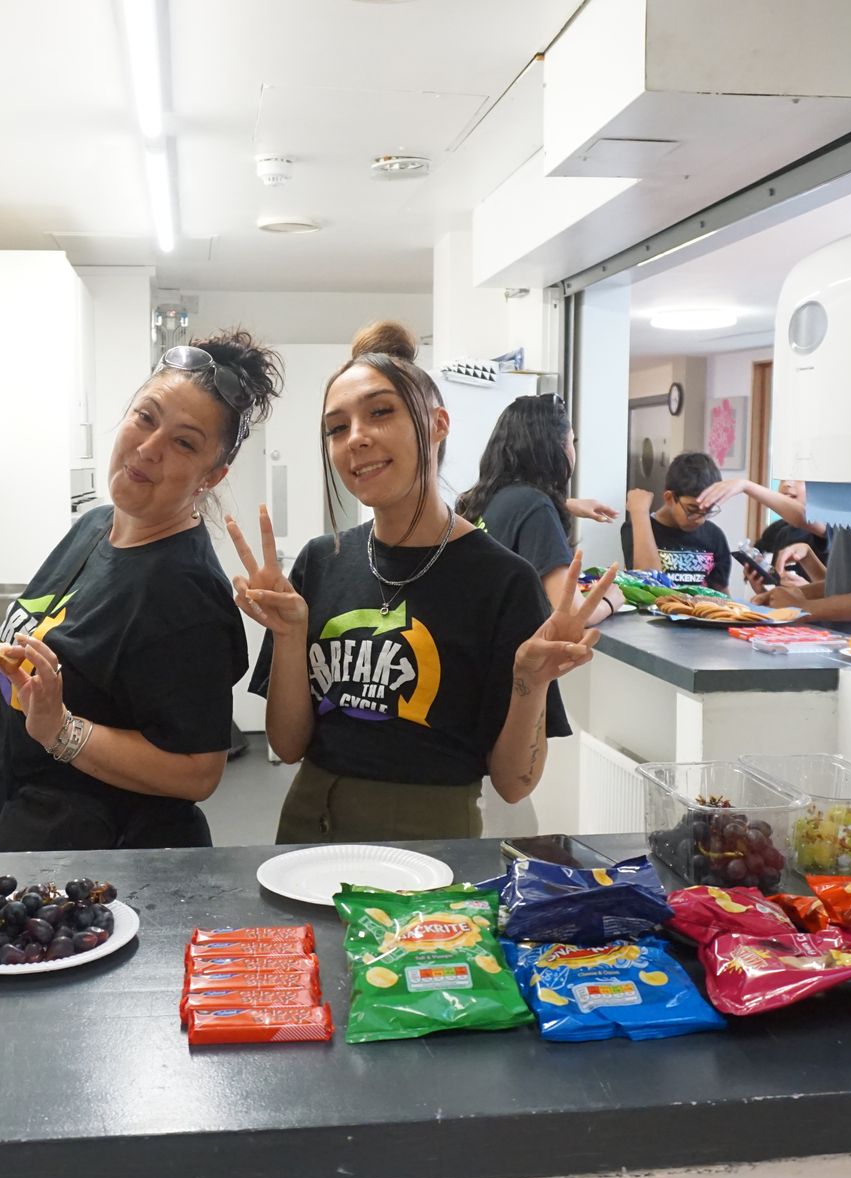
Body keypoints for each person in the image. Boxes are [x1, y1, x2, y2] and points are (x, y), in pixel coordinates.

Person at [235, 322, 613, 842]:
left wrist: (531, 680)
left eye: (380, 412)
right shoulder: (320, 563)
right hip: (308, 828)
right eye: (336, 427)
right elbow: (289, 743)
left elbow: (514, 783)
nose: (356, 438)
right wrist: (288, 636)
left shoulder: (502, 581)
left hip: (434, 842)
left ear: (437, 424)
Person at [0, 331, 283, 851]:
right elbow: (83, 688)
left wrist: (61, 731)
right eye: (146, 417)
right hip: (36, 841)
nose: (148, 447)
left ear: (213, 475)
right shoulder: (94, 526)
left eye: (184, 442)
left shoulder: (184, 591)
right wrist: (5, 681)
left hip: (109, 869)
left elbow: (198, 772)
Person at [456, 392, 621, 628]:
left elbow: (516, 513)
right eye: (571, 442)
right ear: (554, 451)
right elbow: (571, 614)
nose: (573, 451)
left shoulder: (481, 498)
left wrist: (567, 504)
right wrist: (610, 600)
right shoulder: (535, 507)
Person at [697, 475, 851, 624]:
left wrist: (803, 606)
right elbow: (842, 585)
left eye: (799, 478)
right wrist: (786, 596)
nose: (788, 484)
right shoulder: (783, 533)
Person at [623, 452, 733, 590]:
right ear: (669, 498)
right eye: (692, 510)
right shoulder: (637, 527)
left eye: (708, 510)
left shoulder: (714, 535)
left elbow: (722, 595)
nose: (700, 520)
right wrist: (640, 513)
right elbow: (648, 582)